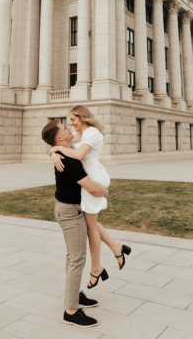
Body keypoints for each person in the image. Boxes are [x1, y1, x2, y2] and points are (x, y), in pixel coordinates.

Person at [49, 105, 131, 289]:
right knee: (90, 223)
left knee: (91, 227)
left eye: (73, 119)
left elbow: (78, 154)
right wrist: (53, 151)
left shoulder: (92, 132)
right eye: (69, 121)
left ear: (83, 117)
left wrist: (55, 151)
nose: (70, 124)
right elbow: (67, 147)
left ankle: (96, 268)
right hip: (89, 177)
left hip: (92, 179)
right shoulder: (81, 135)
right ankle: (115, 248)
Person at [41, 118, 108, 328]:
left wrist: (51, 151)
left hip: (72, 209)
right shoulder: (67, 158)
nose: (69, 126)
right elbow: (92, 189)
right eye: (64, 127)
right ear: (60, 138)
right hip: (70, 212)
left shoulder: (63, 152)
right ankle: (70, 311)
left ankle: (75, 296)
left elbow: (66, 149)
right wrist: (106, 192)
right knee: (77, 258)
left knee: (73, 256)